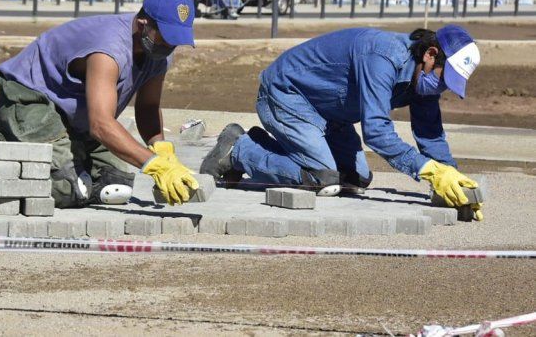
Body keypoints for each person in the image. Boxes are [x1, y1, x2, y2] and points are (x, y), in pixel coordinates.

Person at [0, 0, 200, 207]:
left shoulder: (159, 53)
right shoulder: (109, 49)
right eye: (166, 36)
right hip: (31, 96)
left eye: (176, 39)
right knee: (63, 188)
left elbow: (148, 107)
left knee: (115, 182)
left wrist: (161, 150)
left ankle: (61, 154)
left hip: (72, 112)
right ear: (143, 23)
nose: (170, 45)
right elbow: (101, 125)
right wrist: (154, 165)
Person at [200, 25, 484, 220]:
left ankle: (266, 146)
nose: (441, 89)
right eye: (444, 79)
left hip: (328, 113)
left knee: (355, 178)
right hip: (286, 96)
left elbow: (430, 133)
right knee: (322, 178)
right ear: (430, 54)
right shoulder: (382, 57)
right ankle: (238, 149)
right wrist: (429, 172)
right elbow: (376, 131)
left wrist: (453, 182)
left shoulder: (422, 78)